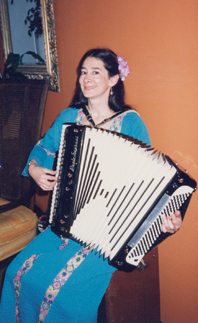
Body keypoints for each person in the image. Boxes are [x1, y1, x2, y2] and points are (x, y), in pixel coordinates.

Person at [0, 48, 182, 323]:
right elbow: (42, 148)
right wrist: (36, 169)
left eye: (95, 72)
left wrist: (165, 219)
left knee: (64, 294)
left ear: (113, 79)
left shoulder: (130, 122)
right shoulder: (69, 117)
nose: (86, 78)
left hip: (106, 233)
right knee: (17, 273)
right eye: (83, 72)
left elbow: (150, 182)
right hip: (62, 223)